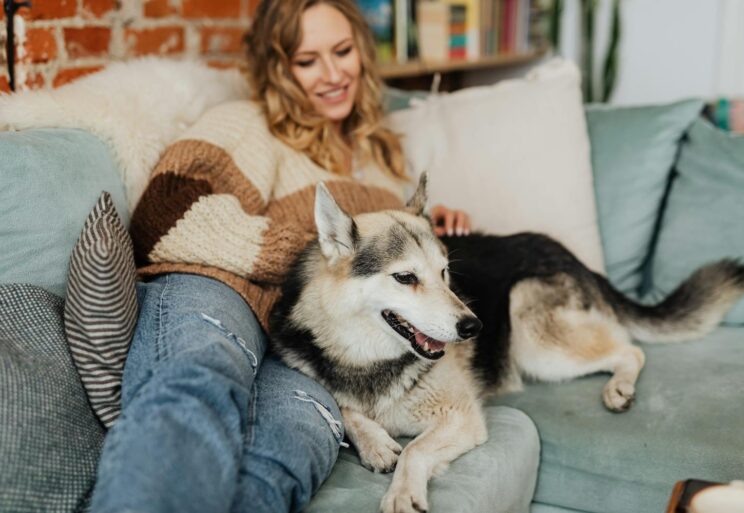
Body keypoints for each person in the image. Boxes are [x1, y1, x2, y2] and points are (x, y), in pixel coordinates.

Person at [90, 1, 472, 512]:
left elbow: (385, 265)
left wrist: (425, 228)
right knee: (197, 388)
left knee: (295, 444)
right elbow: (164, 213)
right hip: (215, 290)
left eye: (342, 51)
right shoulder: (248, 122)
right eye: (308, 60)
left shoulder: (378, 155)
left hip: (299, 346)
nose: (334, 74)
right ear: (278, 68)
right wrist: (319, 262)